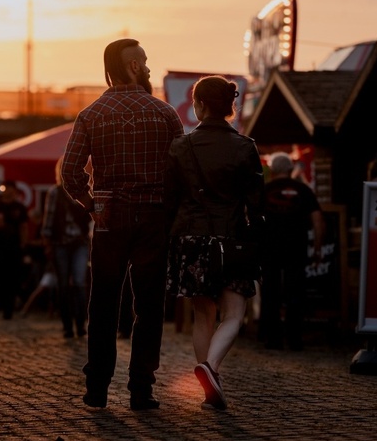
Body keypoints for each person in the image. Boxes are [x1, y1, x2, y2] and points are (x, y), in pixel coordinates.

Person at [62, 38, 184, 410]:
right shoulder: (164, 113)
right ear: (132, 66)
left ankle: (97, 388)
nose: (147, 67)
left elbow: (70, 172)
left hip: (108, 217)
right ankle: (141, 390)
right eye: (144, 61)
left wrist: (91, 204)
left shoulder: (91, 114)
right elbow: (180, 172)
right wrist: (170, 210)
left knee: (103, 303)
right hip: (152, 217)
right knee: (149, 306)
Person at [165, 76, 265, 410]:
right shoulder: (245, 147)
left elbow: (171, 199)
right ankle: (211, 368)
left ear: (200, 105)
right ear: (228, 107)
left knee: (202, 315)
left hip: (190, 239)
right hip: (231, 240)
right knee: (234, 313)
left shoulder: (180, 146)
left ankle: (210, 383)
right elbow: (257, 205)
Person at [258, 151, 324, 351]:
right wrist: (318, 248)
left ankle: (272, 339)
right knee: (295, 293)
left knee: (270, 293)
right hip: (296, 248)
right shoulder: (303, 190)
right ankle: (295, 339)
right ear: (289, 169)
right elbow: (318, 221)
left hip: (268, 249)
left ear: (272, 170)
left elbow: (250, 219)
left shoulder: (264, 190)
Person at [41, 156, 92, 338]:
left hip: (77, 242)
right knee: (65, 284)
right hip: (61, 242)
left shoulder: (84, 192)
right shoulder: (56, 192)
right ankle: (69, 326)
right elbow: (50, 218)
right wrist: (48, 242)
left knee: (78, 283)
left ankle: (79, 324)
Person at [0, 180, 30, 319]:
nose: (8, 191)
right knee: (0, 276)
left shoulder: (19, 207)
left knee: (13, 277)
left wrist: (23, 245)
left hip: (14, 248)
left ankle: (10, 307)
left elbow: (24, 226)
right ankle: (4, 304)